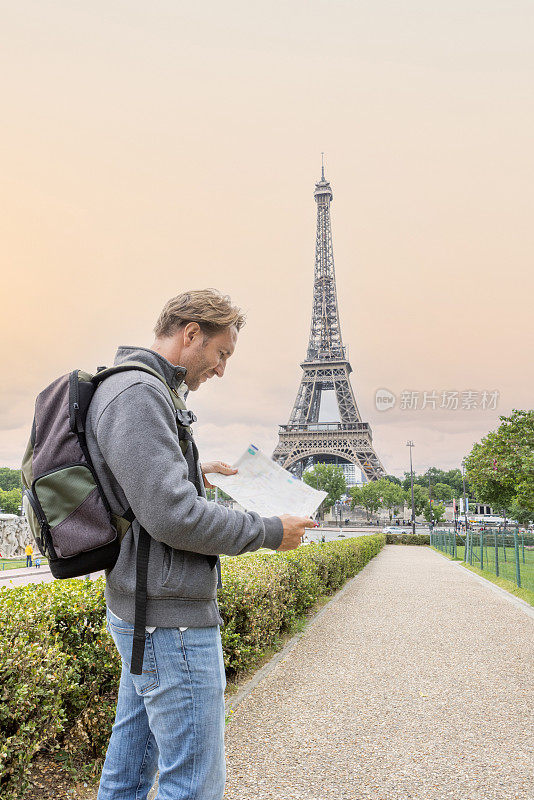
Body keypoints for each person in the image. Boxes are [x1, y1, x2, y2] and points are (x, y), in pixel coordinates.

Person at [86, 289, 312, 800]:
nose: (222, 369)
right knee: (194, 786)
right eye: (221, 353)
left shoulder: (137, 389)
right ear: (191, 334)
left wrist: (193, 471)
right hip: (170, 620)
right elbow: (173, 517)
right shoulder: (140, 395)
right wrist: (271, 531)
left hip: (148, 607)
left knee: (128, 772)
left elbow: (144, 493)